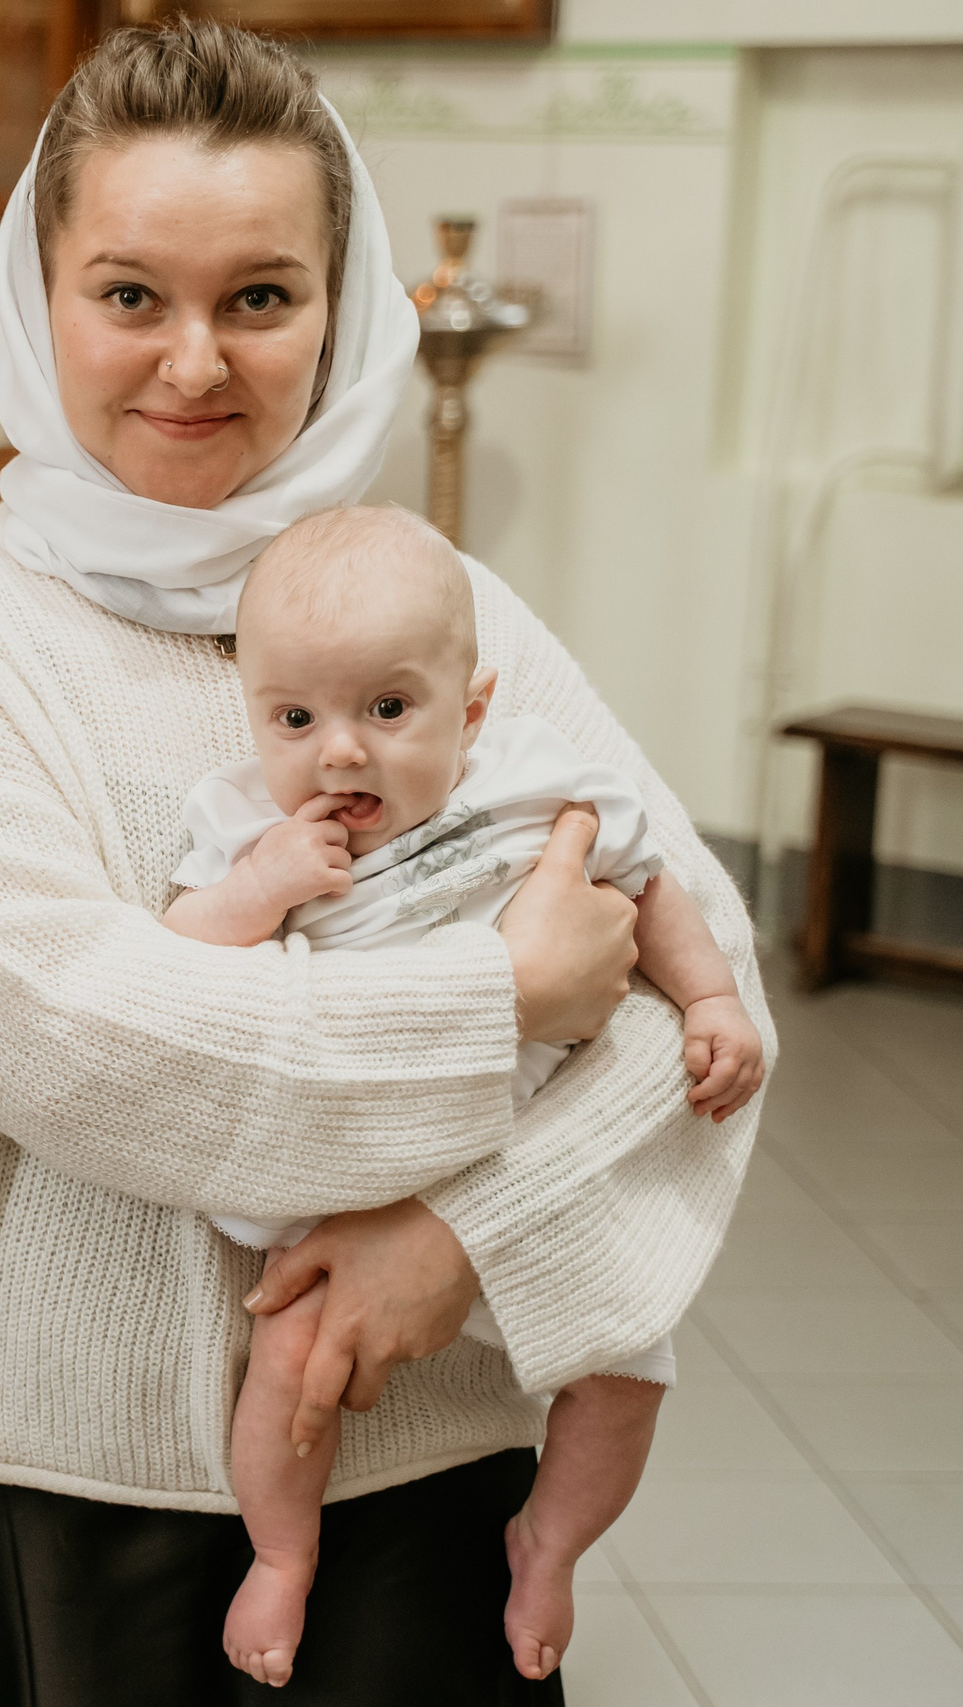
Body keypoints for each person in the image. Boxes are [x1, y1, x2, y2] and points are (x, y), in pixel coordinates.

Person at [0, 21, 769, 1704]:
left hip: (426, 1452)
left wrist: (461, 1237)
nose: (194, 363)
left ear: (344, 308)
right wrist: (502, 998)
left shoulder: (443, 608)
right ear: (37, 305)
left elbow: (704, 996)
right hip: (47, 1470)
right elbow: (80, 1044)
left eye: (260, 297)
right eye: (130, 296)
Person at [159, 505, 767, 1685]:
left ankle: (548, 1543)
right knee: (289, 1365)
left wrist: (711, 1005)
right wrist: (257, 891)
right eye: (296, 718)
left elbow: (648, 891)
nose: (338, 753)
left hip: (511, 1170)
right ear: (254, 716)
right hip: (343, 1166)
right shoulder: (242, 822)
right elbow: (182, 961)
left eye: (387, 711)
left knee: (627, 1363)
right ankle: (282, 1555)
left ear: (470, 708)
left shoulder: (533, 781)